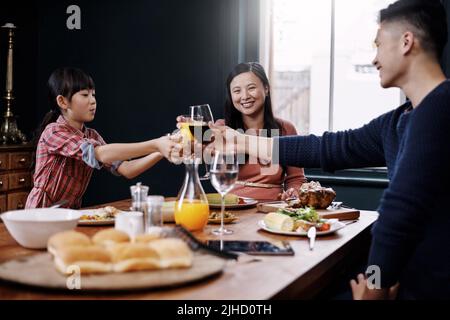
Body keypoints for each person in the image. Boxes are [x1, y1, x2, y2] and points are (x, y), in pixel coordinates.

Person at [208, 0, 450, 299]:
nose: (374, 58)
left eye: (377, 45)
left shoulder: (440, 108)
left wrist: (375, 286)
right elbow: (326, 148)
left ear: (406, 42)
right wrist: (239, 140)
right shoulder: (398, 120)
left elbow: (400, 213)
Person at [26, 67, 180, 209]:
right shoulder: (53, 132)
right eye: (85, 95)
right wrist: (156, 144)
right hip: (40, 215)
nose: (93, 100)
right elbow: (100, 153)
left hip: (69, 216)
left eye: (93, 94)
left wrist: (161, 152)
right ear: (63, 101)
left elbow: (126, 169)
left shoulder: (91, 136)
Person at [215, 62, 306, 200]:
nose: (244, 96)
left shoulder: (285, 129)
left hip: (272, 209)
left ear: (266, 88)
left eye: (251, 88)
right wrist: (180, 133)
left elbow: (296, 179)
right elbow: (193, 145)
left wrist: (293, 192)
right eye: (237, 91)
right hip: (231, 208)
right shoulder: (222, 128)